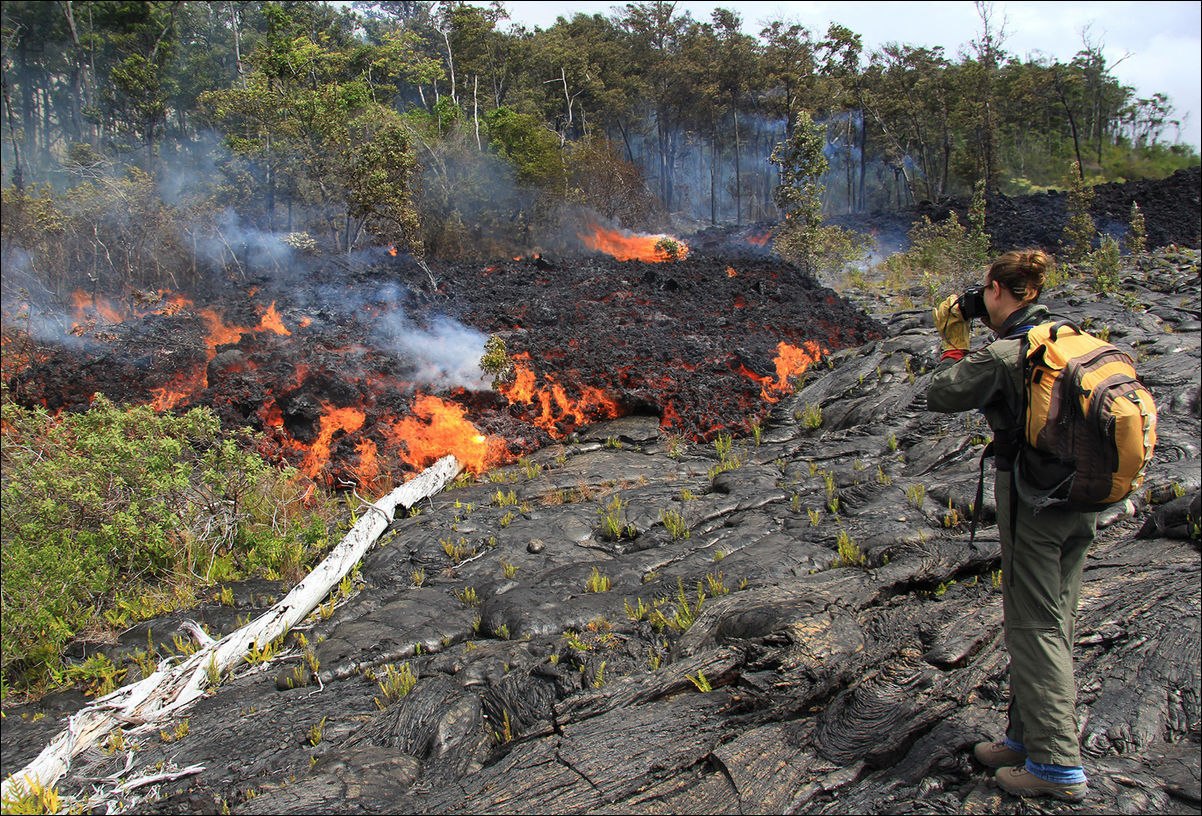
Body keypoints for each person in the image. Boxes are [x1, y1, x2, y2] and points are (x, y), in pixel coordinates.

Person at [926, 249, 1095, 803]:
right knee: (1053, 615)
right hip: (1080, 496)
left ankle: (1056, 766)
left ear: (998, 289)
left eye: (984, 291)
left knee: (1034, 625)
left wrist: (954, 340)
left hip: (1036, 502)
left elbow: (942, 392)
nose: (980, 298)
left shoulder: (1004, 354)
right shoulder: (1063, 336)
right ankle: (1024, 738)